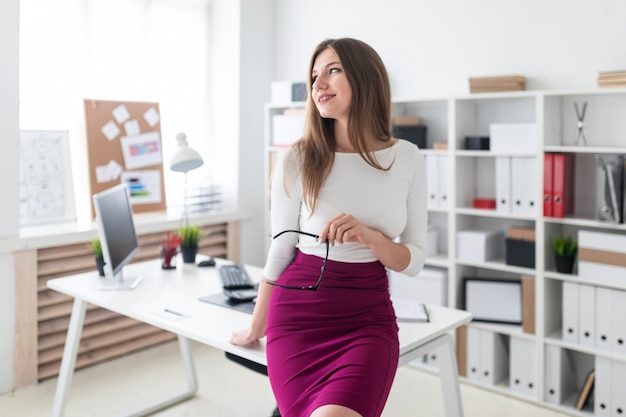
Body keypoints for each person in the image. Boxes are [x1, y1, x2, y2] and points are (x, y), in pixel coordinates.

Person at [230, 37, 427, 417]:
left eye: (333, 71)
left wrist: (370, 237)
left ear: (366, 77)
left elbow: (414, 258)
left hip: (367, 320)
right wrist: (257, 326)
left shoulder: (408, 158)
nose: (319, 84)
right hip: (299, 317)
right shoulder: (298, 158)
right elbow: (280, 251)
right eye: (314, 75)